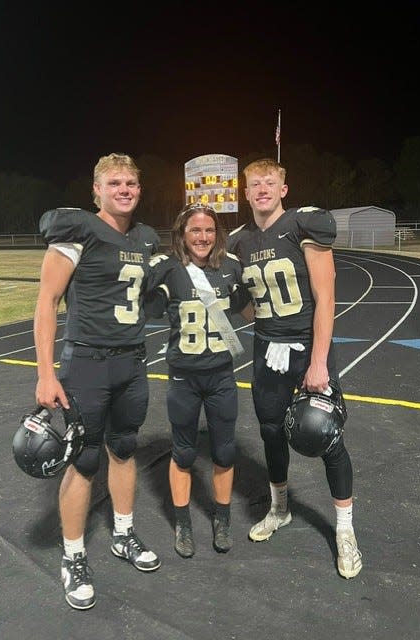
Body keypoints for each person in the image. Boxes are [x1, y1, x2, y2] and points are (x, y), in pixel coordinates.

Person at [34, 152, 161, 611]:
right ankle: (73, 556)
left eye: (131, 182)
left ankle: (123, 534)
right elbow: (47, 301)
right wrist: (46, 372)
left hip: (132, 362)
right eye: (114, 183)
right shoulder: (78, 230)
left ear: (139, 189)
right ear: (97, 191)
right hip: (86, 363)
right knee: (84, 461)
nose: (124, 189)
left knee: (124, 447)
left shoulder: (147, 238)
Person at [226, 158, 362, 579]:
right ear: (245, 193)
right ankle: (280, 508)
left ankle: (344, 530)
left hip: (307, 350)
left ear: (283, 189)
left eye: (270, 182)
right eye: (254, 184)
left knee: (324, 435)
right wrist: (258, 320)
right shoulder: (238, 240)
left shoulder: (303, 226)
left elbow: (325, 298)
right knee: (270, 431)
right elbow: (239, 299)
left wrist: (318, 361)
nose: (262, 189)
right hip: (268, 351)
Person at [145, 202, 251, 559]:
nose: (202, 237)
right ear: (181, 234)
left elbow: (247, 303)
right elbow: (144, 303)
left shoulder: (232, 267)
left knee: (223, 451)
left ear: (217, 234)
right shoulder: (169, 268)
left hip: (221, 375)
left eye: (208, 230)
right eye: (195, 230)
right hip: (184, 377)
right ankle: (184, 523)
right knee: (185, 453)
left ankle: (221, 519)